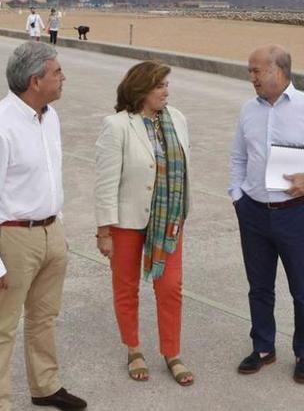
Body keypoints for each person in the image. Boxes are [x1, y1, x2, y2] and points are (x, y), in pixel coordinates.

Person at [0, 42, 87, 411]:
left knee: (44, 317)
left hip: (52, 232)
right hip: (14, 238)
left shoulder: (50, 117)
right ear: (35, 81)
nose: (63, 77)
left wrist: (58, 228)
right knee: (2, 327)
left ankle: (45, 386)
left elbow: (49, 177)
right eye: (56, 72)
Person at [229, 44, 304, 384]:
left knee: (303, 288)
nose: (250, 77)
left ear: (278, 70)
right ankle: (264, 348)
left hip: (296, 214)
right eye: (250, 70)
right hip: (253, 212)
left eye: (256, 70)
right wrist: (237, 195)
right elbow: (238, 156)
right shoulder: (248, 111)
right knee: (259, 287)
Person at [94, 60, 195, 386]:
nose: (167, 91)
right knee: (126, 287)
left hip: (168, 221)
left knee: (171, 289)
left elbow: (183, 170)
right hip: (127, 220)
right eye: (160, 86)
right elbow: (106, 181)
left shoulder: (177, 119)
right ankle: (133, 348)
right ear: (141, 90)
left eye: (167, 85)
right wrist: (104, 230)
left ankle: (172, 352)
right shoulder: (118, 125)